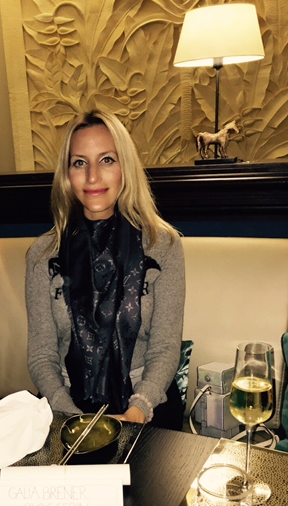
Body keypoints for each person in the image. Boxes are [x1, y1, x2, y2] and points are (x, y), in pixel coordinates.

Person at [25, 110, 185, 428]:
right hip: (65, 409)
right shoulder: (42, 255)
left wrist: (139, 408)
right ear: (67, 174)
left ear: (125, 167)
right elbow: (42, 353)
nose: (92, 176)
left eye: (107, 160)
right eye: (79, 163)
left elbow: (166, 347)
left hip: (147, 407)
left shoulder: (163, 245)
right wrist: (71, 415)